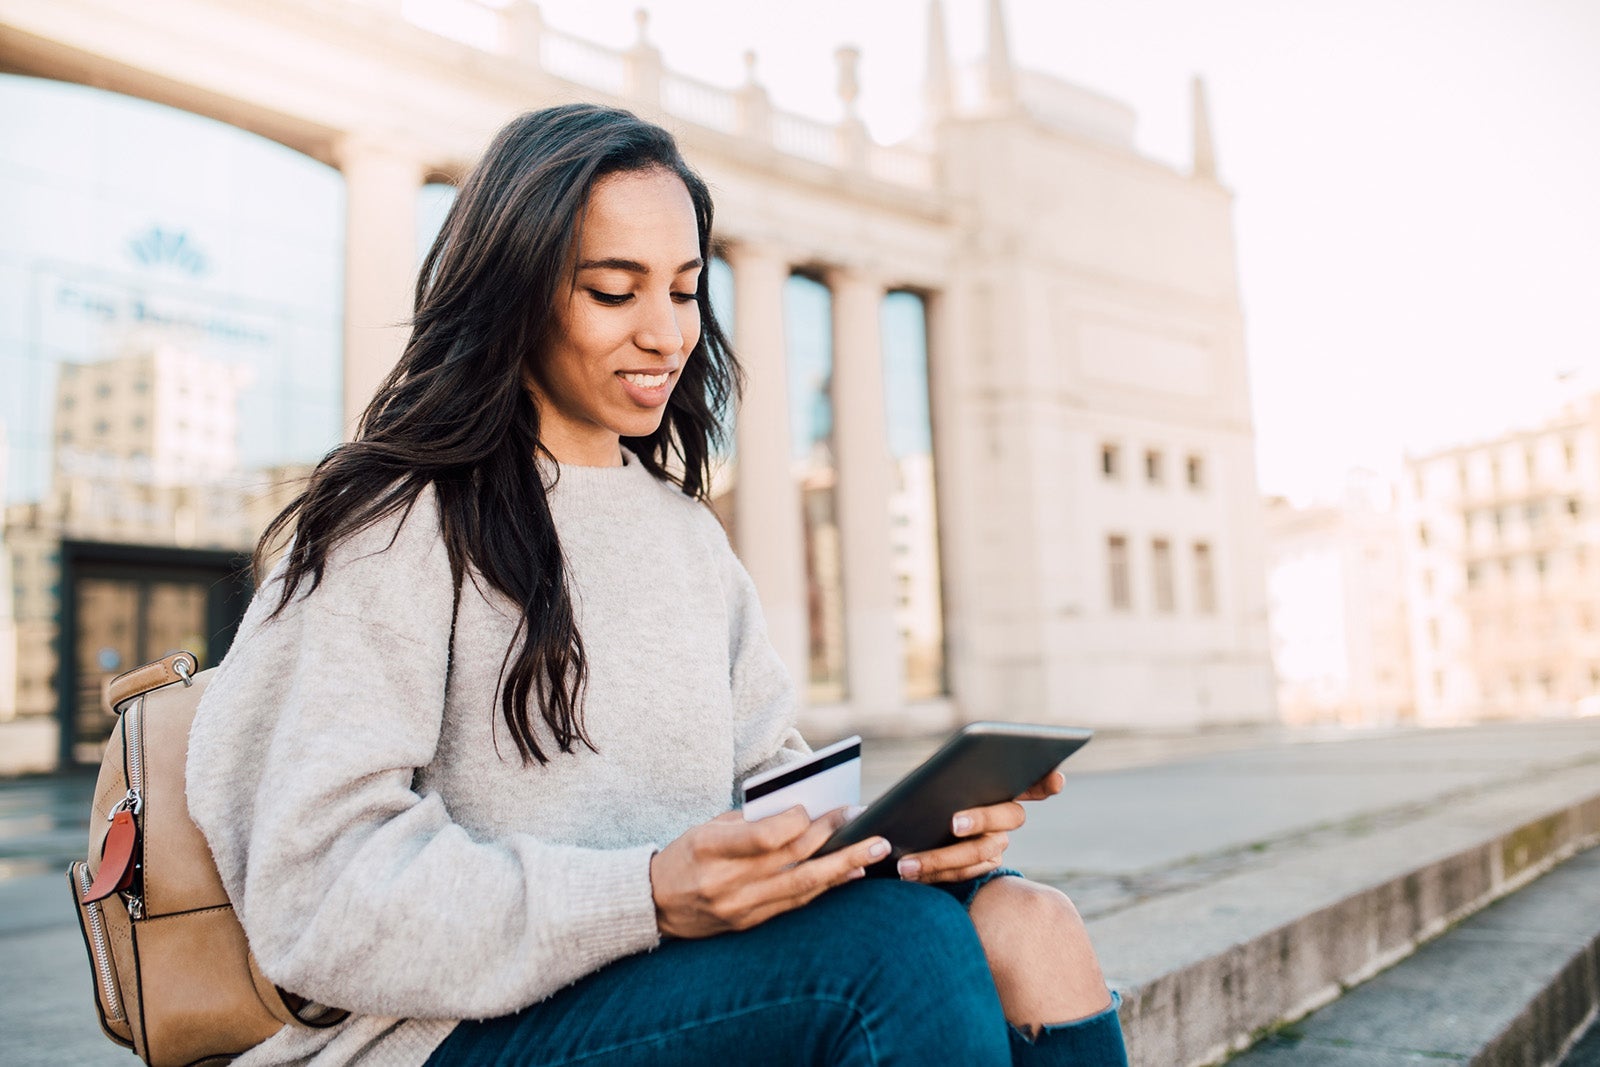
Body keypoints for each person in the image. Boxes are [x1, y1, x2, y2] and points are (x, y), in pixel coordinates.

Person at [186, 103, 1128, 1066]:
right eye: (612, 290)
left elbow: (772, 795)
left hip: (674, 979)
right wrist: (642, 893)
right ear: (515, 291)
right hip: (440, 1033)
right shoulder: (394, 522)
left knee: (1025, 919)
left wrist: (902, 843)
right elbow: (318, 892)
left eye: (684, 291)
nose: (666, 334)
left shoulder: (688, 537)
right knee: (898, 952)